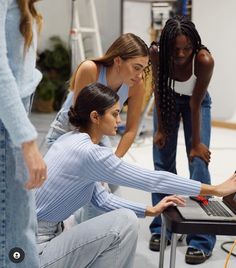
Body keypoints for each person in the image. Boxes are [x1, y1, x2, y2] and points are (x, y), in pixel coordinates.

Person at [35, 82, 236, 268]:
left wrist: (150, 210)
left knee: (104, 215)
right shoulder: (89, 153)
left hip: (43, 233)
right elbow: (152, 180)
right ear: (95, 117)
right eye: (114, 114)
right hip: (38, 249)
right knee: (125, 221)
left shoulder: (70, 139)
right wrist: (215, 189)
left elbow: (101, 199)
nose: (119, 120)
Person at [46, 33, 150, 222]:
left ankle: (83, 236)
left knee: (104, 188)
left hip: (97, 133)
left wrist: (112, 163)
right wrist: (99, 167)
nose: (140, 75)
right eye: (136, 67)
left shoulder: (136, 85)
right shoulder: (90, 69)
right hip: (69, 131)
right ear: (118, 60)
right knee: (72, 190)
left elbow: (131, 130)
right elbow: (81, 122)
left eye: (143, 69)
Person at [149, 15, 215, 264]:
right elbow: (157, 87)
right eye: (175, 49)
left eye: (186, 48)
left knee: (198, 164)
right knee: (162, 161)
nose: (180, 54)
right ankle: (161, 227)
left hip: (196, 105)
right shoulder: (156, 53)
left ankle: (201, 239)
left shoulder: (203, 60)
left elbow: (195, 102)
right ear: (166, 45)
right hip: (166, 101)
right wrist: (161, 130)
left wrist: (197, 144)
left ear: (194, 46)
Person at [0, 1, 47, 267]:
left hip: (14, 122)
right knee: (16, 238)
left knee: (18, 230)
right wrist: (27, 142)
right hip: (9, 128)